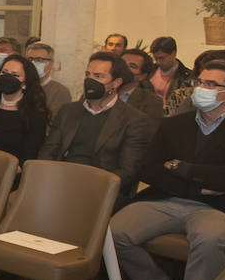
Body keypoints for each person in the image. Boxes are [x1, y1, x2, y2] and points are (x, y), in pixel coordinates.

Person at [110, 59, 225, 280]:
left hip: (222, 208)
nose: (200, 88)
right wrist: (200, 186)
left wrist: (180, 167)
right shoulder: (174, 125)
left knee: (209, 239)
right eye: (199, 81)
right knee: (114, 232)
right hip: (166, 199)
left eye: (210, 84)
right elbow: (149, 170)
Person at [38, 51, 151, 201]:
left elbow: (128, 171)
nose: (89, 81)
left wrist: (91, 187)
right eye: (87, 75)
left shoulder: (133, 120)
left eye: (98, 76)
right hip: (61, 183)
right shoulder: (68, 111)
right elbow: (48, 151)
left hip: (100, 191)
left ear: (116, 83)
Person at [0, 56, 48, 167]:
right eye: (4, 72)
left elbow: (29, 156)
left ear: (25, 83)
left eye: (15, 75)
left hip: (11, 173)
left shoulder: (34, 116)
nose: (7, 78)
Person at [119, 47, 165, 123]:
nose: (124, 68)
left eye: (132, 66)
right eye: (122, 63)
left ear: (142, 76)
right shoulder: (102, 92)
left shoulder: (151, 102)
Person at [25, 41, 71, 116]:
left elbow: (55, 122)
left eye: (39, 60)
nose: (33, 63)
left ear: (51, 64)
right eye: (30, 59)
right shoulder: (21, 86)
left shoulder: (60, 92)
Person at [147, 35, 192, 107]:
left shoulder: (187, 77)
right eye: (155, 58)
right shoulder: (150, 70)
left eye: (162, 58)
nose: (158, 62)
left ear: (173, 53)